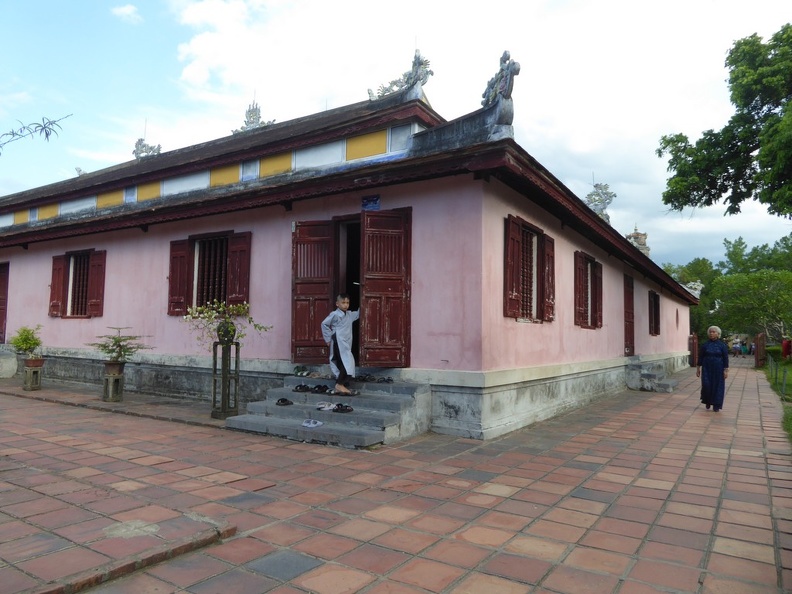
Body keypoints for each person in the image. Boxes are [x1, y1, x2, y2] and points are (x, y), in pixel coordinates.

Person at [321, 293, 360, 395]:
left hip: (346, 343)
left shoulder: (349, 315)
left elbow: (359, 313)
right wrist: (328, 338)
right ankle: (339, 384)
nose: (346, 305)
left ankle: (342, 383)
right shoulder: (335, 314)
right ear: (337, 304)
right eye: (343, 303)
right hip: (338, 341)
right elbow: (324, 324)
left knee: (346, 362)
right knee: (345, 362)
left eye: (347, 303)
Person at [697, 326, 730, 412]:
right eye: (710, 332)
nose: (712, 333)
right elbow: (700, 357)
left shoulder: (722, 345)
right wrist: (698, 368)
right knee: (706, 385)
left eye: (714, 332)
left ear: (718, 334)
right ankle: (707, 401)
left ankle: (716, 404)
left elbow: (725, 358)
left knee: (718, 386)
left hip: (718, 368)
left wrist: (725, 370)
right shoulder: (705, 345)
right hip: (707, 368)